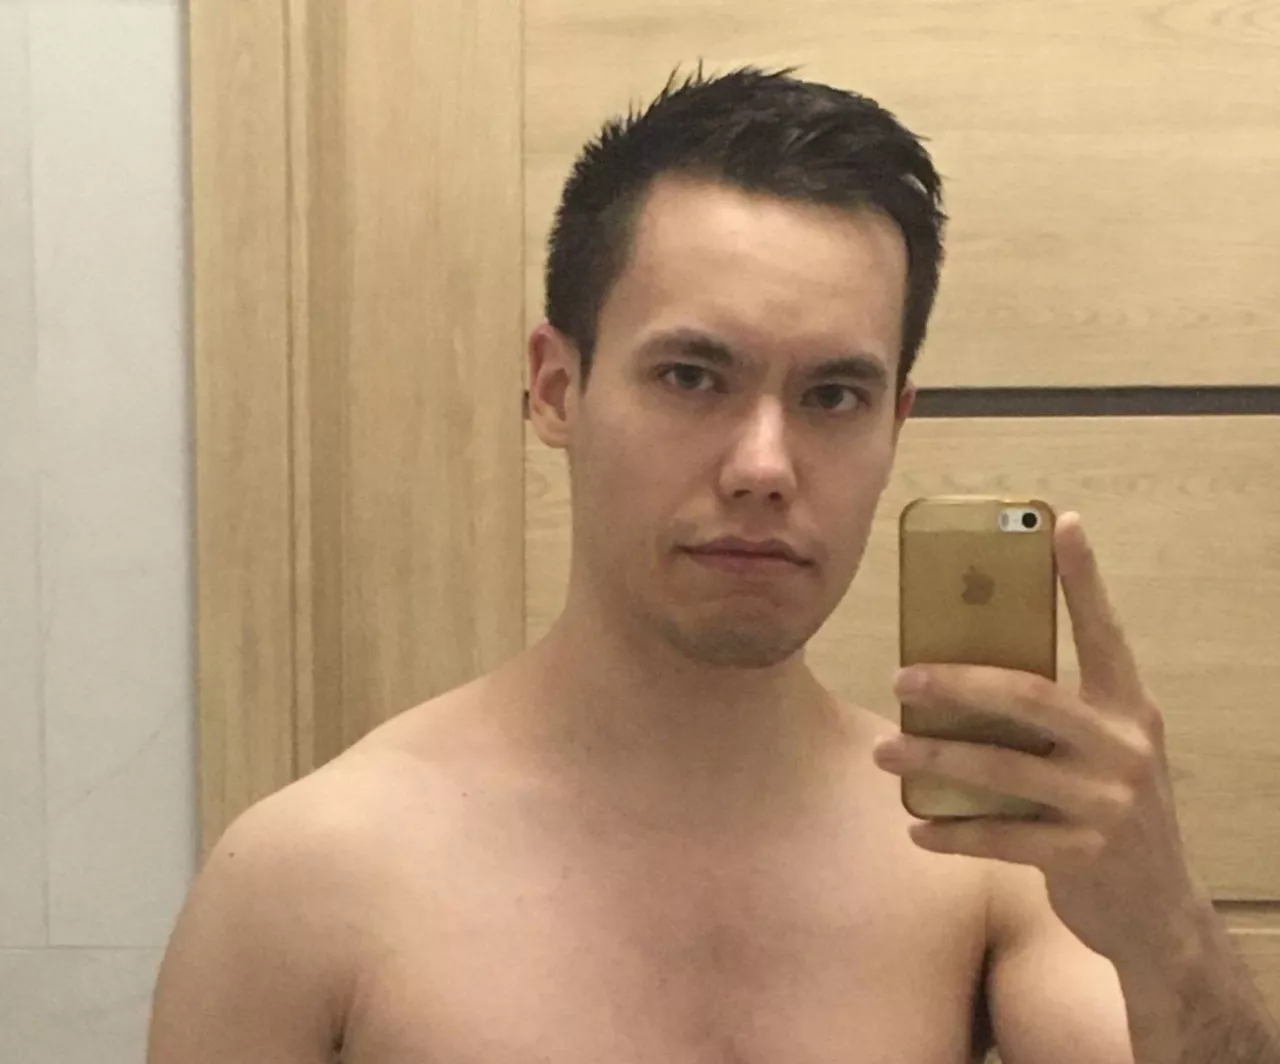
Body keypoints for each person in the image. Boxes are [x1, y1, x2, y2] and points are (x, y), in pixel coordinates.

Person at [148, 67, 1279, 1064]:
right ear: (556, 388)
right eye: (692, 376)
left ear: (894, 422)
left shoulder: (979, 854)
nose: (763, 466)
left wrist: (1168, 928)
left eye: (832, 395)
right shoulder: (310, 880)